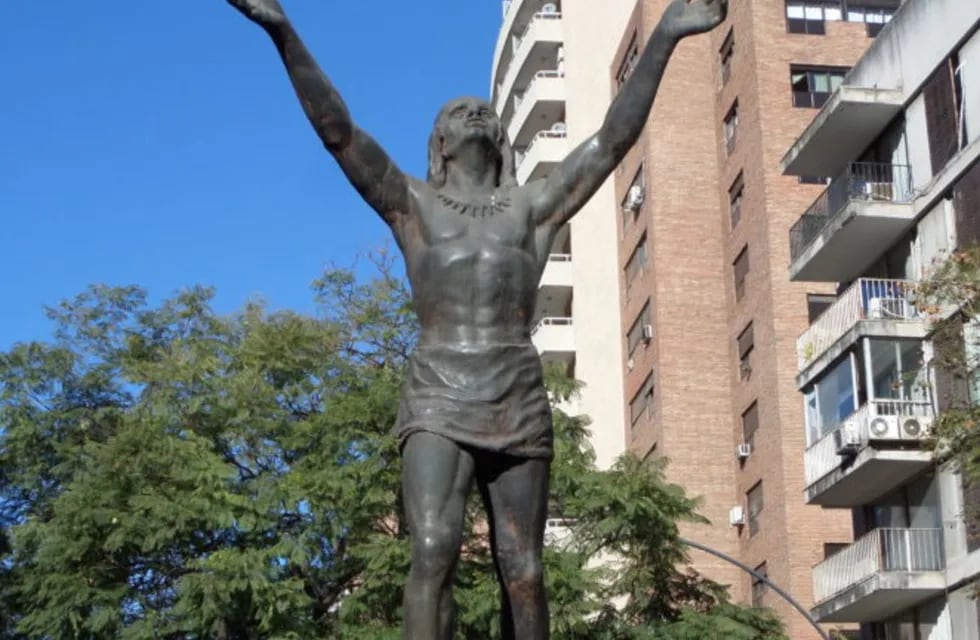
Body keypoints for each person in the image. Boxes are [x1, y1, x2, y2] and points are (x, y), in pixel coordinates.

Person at [223, 1, 728, 638]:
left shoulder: (534, 208)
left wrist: (667, 35)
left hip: (516, 391)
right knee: (433, 547)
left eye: (484, 109)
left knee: (525, 568)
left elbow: (609, 142)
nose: (478, 112)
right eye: (459, 112)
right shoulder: (412, 203)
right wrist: (282, 30)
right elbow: (339, 132)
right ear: (439, 143)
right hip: (438, 390)